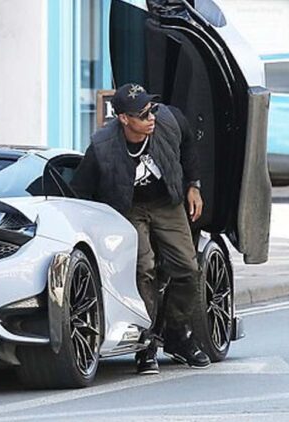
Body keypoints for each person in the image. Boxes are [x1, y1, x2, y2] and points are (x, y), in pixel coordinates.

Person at [71, 83, 211, 375]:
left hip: (167, 202)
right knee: (143, 268)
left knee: (188, 268)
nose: (152, 117)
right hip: (129, 208)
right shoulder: (102, 147)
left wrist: (193, 186)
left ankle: (178, 333)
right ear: (124, 118)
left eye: (152, 109)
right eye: (143, 114)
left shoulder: (170, 120)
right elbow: (81, 191)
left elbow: (188, 146)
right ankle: (144, 342)